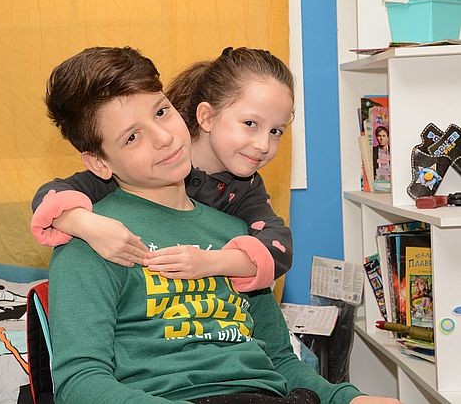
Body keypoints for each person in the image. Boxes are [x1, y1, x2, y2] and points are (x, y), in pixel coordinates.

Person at [45, 46, 401, 404]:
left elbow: (280, 361)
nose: (164, 137)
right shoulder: (95, 240)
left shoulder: (239, 237)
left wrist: (347, 398)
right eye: (132, 137)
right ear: (99, 163)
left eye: (161, 112)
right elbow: (79, 383)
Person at [30, 47, 293, 290]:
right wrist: (88, 226)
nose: (263, 145)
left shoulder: (245, 188)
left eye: (161, 112)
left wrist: (212, 262)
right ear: (206, 117)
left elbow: (279, 247)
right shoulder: (124, 174)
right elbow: (50, 197)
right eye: (132, 137)